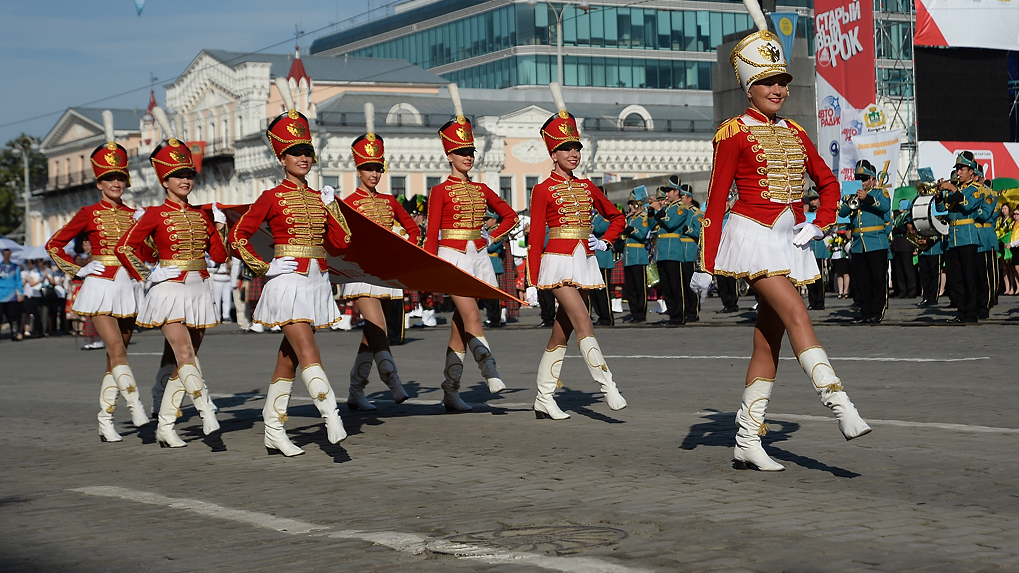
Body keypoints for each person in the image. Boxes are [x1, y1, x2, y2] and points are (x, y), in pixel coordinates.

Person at [700, 12, 871, 470]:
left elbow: (829, 182)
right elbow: (715, 201)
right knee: (797, 310)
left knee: (767, 341)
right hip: (750, 236)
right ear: (748, 86)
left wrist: (821, 222)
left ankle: (746, 439)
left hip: (787, 240)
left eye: (783, 82)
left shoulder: (795, 132)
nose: (778, 89)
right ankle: (839, 404)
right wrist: (705, 261)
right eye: (768, 81)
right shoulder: (732, 132)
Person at [228, 81, 352, 456]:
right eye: (295, 152)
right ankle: (331, 414)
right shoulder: (271, 197)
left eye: (307, 151)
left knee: (290, 357)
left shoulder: (319, 197)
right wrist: (264, 266)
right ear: (281, 158)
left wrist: (333, 208)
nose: (303, 158)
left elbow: (342, 242)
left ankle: (272, 427)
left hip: (315, 280)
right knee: (308, 347)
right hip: (287, 281)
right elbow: (238, 236)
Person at [46, 111, 151, 441]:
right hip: (101, 284)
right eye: (109, 179)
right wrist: (79, 268)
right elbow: (54, 244)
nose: (116, 183)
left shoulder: (136, 214)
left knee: (114, 356)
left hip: (128, 286)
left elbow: (147, 253)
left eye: (120, 177)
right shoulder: (88, 213)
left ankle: (105, 419)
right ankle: (135, 406)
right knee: (117, 348)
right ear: (99, 183)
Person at [525, 82, 626, 420]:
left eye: (576, 148)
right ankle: (607, 384)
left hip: (584, 259)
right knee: (583, 317)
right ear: (552, 153)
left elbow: (617, 216)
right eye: (566, 148)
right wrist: (532, 278)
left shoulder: (587, 186)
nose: (573, 153)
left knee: (562, 330)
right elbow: (536, 235)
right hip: (555, 262)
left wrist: (606, 240)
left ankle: (543, 396)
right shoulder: (542, 190)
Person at [424, 84, 518, 412]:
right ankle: (490, 370)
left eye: (471, 152)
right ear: (448, 155)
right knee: (472, 315)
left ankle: (450, 390)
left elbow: (509, 217)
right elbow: (431, 235)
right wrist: (430, 269)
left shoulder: (481, 188)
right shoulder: (439, 191)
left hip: (477, 257)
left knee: (461, 327)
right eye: (462, 152)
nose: (468, 157)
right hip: (451, 258)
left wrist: (489, 238)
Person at [339, 102, 420, 412]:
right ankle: (392, 379)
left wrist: (401, 251)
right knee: (378, 327)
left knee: (371, 333)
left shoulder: (390, 201)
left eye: (377, 168)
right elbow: (339, 239)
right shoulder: (348, 202)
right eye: (367, 168)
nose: (373, 174)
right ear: (358, 169)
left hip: (386, 272)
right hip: (360, 272)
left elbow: (413, 230)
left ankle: (356, 391)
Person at [938, 152, 983, 323]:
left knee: (969, 277)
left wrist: (953, 189)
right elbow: (942, 209)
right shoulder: (956, 188)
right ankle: (961, 311)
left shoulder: (975, 189)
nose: (958, 172)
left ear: (971, 171)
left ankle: (971, 312)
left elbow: (968, 205)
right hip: (953, 238)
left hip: (968, 237)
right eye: (957, 169)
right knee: (955, 278)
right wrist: (939, 195)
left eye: (961, 169)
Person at [651, 180, 699, 325]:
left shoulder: (681, 207)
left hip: (673, 250)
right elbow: (654, 225)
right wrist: (652, 211)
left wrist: (660, 211)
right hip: (662, 251)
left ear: (676, 192)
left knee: (676, 286)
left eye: (669, 191)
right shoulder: (667, 207)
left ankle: (680, 315)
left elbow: (671, 224)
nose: (666, 194)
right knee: (666, 287)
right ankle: (672, 315)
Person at [973, 166, 999, 318]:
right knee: (974, 275)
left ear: (981, 178)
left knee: (988, 275)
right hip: (972, 237)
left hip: (986, 237)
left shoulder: (989, 194)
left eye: (976, 177)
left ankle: (986, 304)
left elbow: (986, 214)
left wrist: (968, 207)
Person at [620, 197, 651, 323]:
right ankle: (633, 312)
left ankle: (641, 313)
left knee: (640, 288)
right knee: (630, 288)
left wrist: (630, 229)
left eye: (632, 204)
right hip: (628, 256)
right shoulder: (630, 218)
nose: (630, 207)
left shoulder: (644, 218)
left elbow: (641, 234)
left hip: (638, 256)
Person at [589, 209, 616, 326]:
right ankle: (601, 316)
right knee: (594, 292)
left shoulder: (604, 216)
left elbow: (599, 229)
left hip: (602, 258)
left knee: (602, 292)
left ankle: (607, 317)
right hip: (593, 258)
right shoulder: (594, 216)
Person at [804, 189, 830, 310]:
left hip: (818, 246)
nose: (813, 203)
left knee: (819, 277)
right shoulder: (805, 214)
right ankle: (812, 301)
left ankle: (820, 302)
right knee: (809, 277)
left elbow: (827, 228)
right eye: (811, 200)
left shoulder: (822, 213)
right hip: (808, 247)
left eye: (815, 199)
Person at [0, 248, 23, 342]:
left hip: (12, 294)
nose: (6, 255)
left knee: (13, 316)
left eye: (8, 254)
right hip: (1, 294)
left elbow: (18, 281)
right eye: (5, 254)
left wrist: (20, 293)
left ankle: (14, 333)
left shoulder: (15, 267)